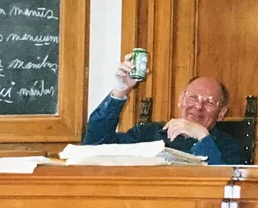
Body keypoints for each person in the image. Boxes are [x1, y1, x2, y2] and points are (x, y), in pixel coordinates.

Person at [82, 53, 245, 165]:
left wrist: (203, 136)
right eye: (193, 98)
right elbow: (94, 145)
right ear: (181, 100)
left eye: (209, 102)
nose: (198, 107)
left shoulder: (229, 147)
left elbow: (224, 185)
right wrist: (121, 89)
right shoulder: (146, 134)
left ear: (221, 113)